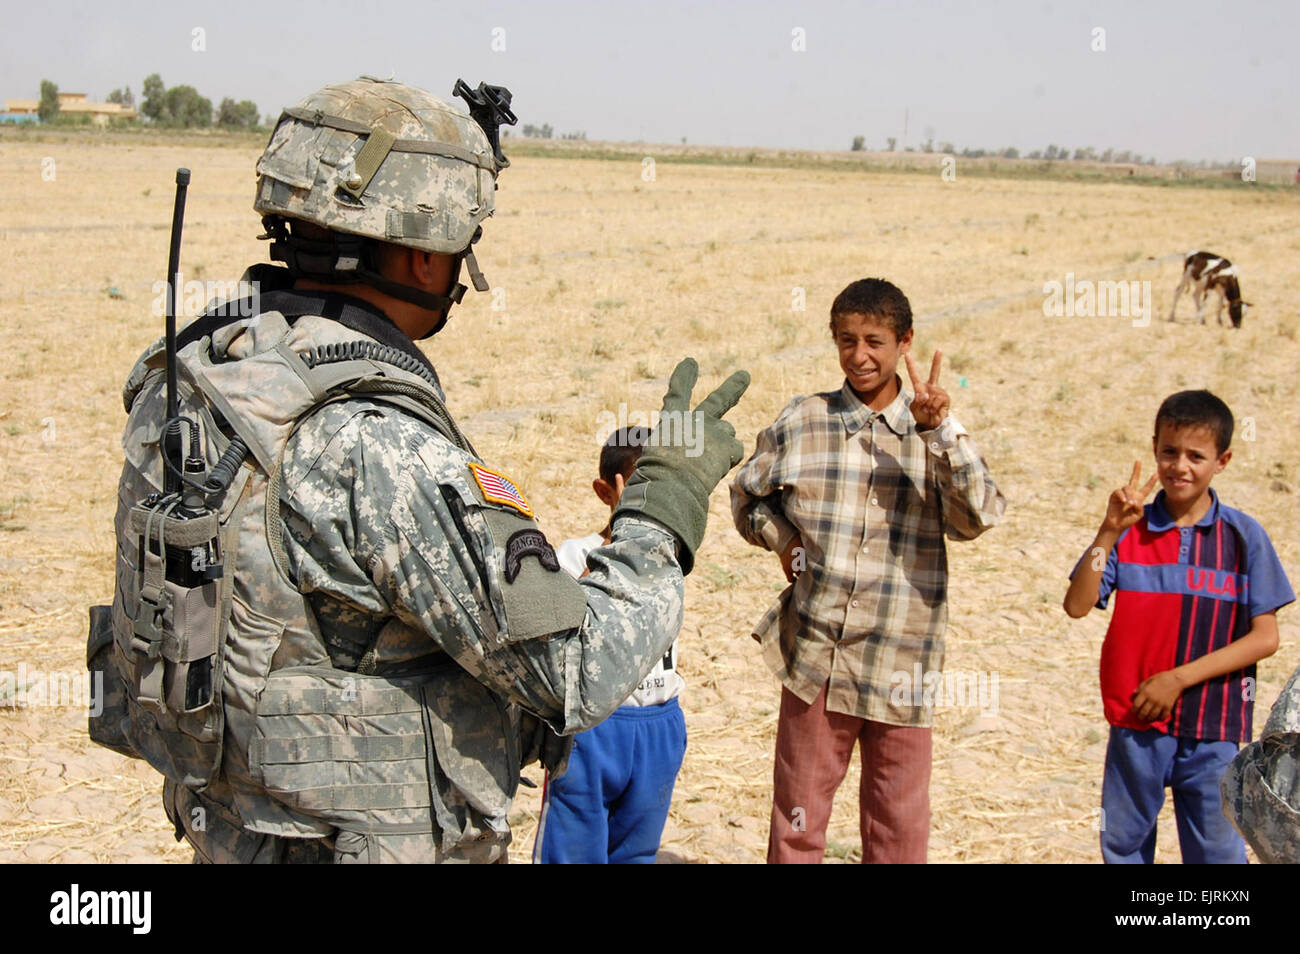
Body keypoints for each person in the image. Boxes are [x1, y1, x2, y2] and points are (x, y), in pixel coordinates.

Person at [88, 77, 749, 863]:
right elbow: (577, 667)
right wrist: (662, 505)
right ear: (415, 252)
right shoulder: (375, 444)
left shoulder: (188, 379)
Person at [730, 278, 1005, 864]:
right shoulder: (805, 420)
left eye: (875, 341)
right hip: (816, 657)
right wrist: (784, 542)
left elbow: (979, 516)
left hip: (901, 663)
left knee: (898, 829)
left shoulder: (933, 428)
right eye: (847, 341)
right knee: (797, 823)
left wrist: (937, 433)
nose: (860, 356)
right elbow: (748, 495)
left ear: (905, 342)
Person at [1064, 390, 1294, 864]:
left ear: (1222, 460)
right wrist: (1107, 531)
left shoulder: (1243, 536)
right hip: (1136, 722)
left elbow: (1265, 637)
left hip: (1214, 727)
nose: (1180, 466)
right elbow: (1077, 604)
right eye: (1169, 452)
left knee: (1217, 852)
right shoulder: (1130, 532)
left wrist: (1178, 678)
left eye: (1196, 455)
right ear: (1154, 448)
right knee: (1124, 845)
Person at [533, 426, 688, 863]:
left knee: (637, 850)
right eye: (640, 487)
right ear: (607, 492)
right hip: (593, 729)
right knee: (573, 845)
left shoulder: (672, 556)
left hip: (659, 725)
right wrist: (623, 537)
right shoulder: (573, 556)